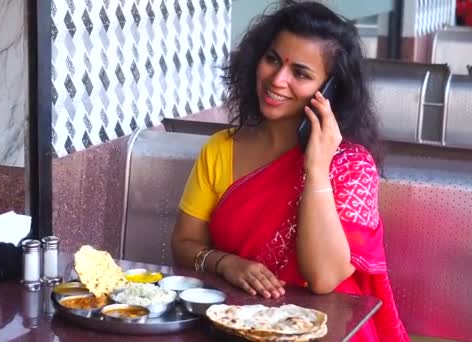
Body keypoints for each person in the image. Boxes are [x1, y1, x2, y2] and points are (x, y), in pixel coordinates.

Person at [171, 2, 409, 341]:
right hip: (241, 325)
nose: (277, 79)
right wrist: (225, 263)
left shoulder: (352, 166)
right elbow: (183, 243)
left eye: (301, 73)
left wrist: (316, 169)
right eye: (272, 59)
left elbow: (324, 278)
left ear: (329, 91)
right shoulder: (221, 149)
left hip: (329, 332)